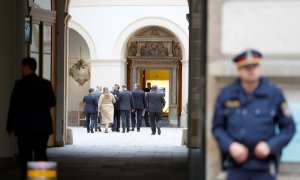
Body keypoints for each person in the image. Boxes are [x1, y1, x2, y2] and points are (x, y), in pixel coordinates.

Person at [212, 49, 296, 180]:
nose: (251, 70)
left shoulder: (274, 94)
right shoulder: (226, 95)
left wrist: (270, 145)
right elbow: (217, 128)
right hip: (236, 166)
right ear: (239, 70)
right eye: (246, 67)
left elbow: (289, 128)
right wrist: (231, 145)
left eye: (255, 66)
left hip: (264, 167)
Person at [6, 57, 56, 180]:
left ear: (26, 67)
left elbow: (13, 106)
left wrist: (10, 126)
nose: (20, 69)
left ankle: (26, 177)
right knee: (41, 154)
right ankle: (41, 178)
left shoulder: (19, 84)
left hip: (24, 126)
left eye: (22, 66)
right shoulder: (45, 83)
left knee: (25, 156)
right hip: (42, 126)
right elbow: (53, 102)